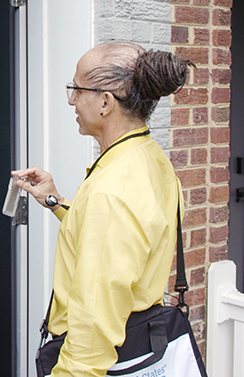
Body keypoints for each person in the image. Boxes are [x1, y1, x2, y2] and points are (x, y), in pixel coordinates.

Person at [13, 42, 194, 376]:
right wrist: (57, 201)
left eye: (76, 89)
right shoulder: (149, 156)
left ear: (105, 102)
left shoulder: (110, 190)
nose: (71, 100)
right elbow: (124, 235)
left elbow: (94, 327)